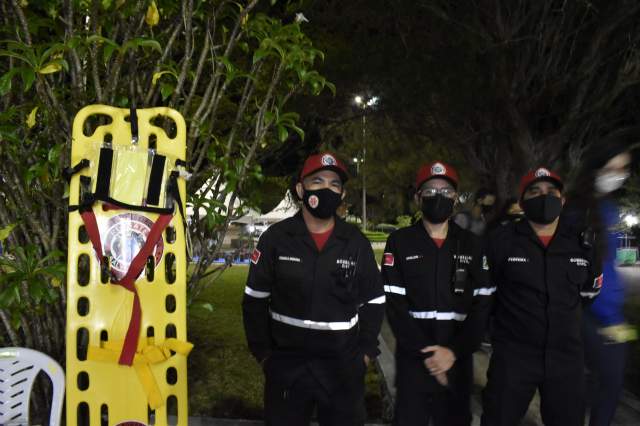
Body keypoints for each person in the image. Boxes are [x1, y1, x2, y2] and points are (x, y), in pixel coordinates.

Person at [242, 152, 385, 426]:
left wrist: (365, 354)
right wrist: (264, 356)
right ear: (300, 189)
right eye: (317, 181)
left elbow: (375, 302)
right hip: (287, 368)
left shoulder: (356, 243)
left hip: (342, 370)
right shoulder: (275, 239)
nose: (327, 189)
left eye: (334, 184)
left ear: (342, 194)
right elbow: (254, 301)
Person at [481, 167, 603, 426]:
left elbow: (588, 293)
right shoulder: (500, 240)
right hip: (513, 357)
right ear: (523, 202)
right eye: (534, 192)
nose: (543, 196)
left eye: (551, 192)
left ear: (562, 200)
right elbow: (484, 295)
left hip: (566, 359)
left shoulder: (582, 244)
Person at [382, 161, 493, 426]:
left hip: (458, 363)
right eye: (431, 190)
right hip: (413, 364)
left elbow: (483, 306)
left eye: (446, 191)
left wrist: (452, 353)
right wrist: (430, 356)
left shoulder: (473, 244)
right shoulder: (400, 242)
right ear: (418, 198)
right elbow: (395, 307)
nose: (439, 196)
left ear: (455, 198)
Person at [564, 137, 638, 426]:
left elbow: (629, 259)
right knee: (593, 388)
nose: (619, 175)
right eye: (613, 168)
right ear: (596, 169)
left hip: (614, 317)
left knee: (608, 388)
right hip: (588, 315)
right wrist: (602, 316)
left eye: (625, 169)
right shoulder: (574, 211)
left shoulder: (615, 212)